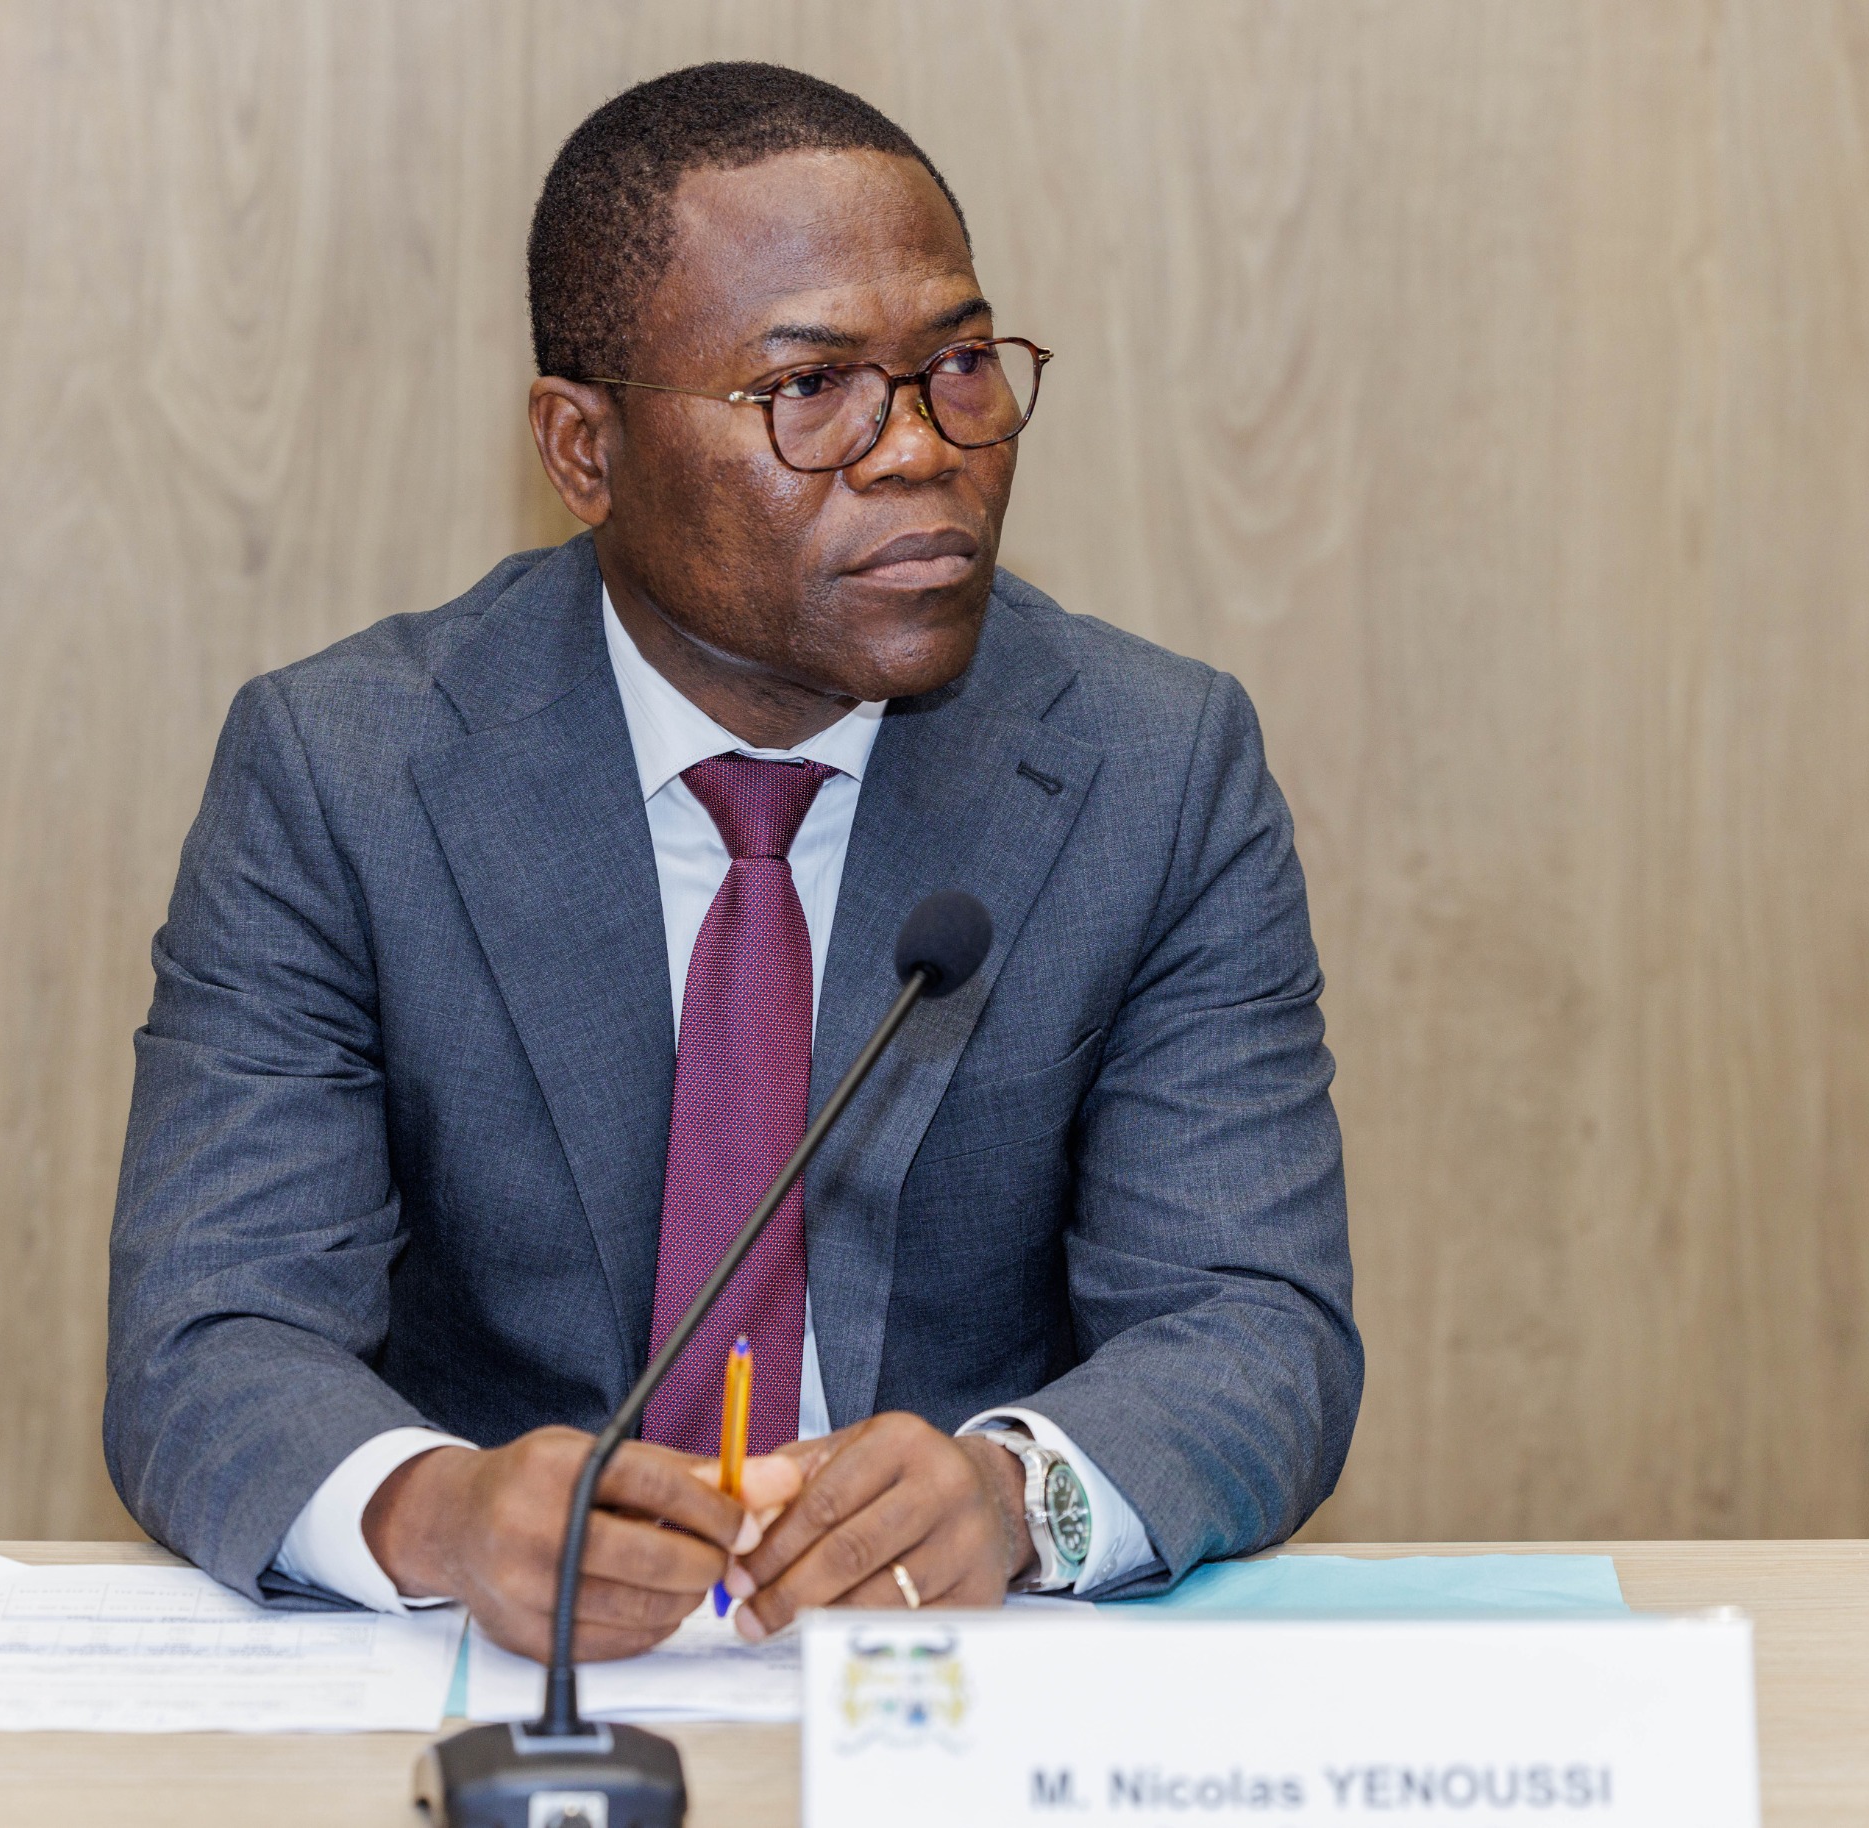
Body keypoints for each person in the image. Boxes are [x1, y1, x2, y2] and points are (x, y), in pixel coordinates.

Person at [104, 62, 1359, 1663]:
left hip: (957, 1674)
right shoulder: (346, 773)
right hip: (507, 1675)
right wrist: (444, 1511)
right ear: (584, 448)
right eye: (809, 389)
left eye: (959, 366)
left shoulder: (1153, 769)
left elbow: (1254, 1323)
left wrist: (1015, 1494)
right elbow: (210, 1334)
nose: (919, 450)